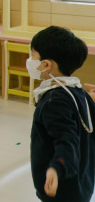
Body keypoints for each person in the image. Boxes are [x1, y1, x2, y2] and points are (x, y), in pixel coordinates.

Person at [29, 26, 95, 202]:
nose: (30, 60)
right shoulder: (78, 92)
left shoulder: (54, 101)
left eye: (33, 56)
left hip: (62, 187)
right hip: (83, 181)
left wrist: (57, 167)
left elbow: (67, 139)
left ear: (46, 65)